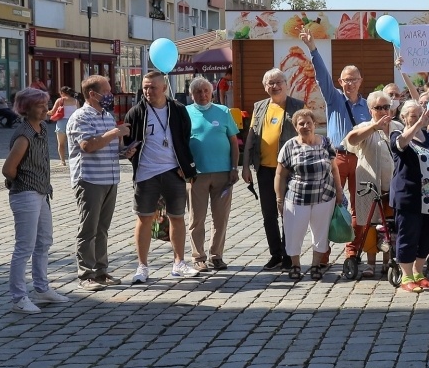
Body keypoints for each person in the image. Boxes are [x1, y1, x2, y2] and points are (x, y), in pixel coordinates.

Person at [298, 31, 371, 261]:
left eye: (354, 79)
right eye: (346, 80)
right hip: (336, 158)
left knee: (360, 206)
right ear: (340, 82)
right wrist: (312, 48)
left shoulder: (368, 106)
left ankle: (353, 251)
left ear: (360, 81)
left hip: (361, 160)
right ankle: (323, 254)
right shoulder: (334, 98)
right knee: (329, 204)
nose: (350, 83)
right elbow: (322, 76)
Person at [123, 70, 199, 283]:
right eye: (145, 87)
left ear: (164, 88)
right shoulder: (136, 112)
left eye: (153, 87)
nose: (148, 91)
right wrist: (128, 153)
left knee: (177, 217)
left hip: (173, 171)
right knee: (144, 217)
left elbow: (185, 138)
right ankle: (142, 266)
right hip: (146, 172)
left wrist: (185, 166)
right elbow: (128, 143)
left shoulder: (178, 110)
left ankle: (179, 263)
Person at [2, 88, 66, 315]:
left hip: (42, 192)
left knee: (44, 241)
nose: (44, 109)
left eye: (45, 104)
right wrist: (22, 181)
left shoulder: (42, 128)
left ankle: (42, 288)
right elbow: (8, 169)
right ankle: (19, 297)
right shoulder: (24, 135)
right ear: (26, 108)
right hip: (26, 194)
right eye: (39, 105)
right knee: (24, 247)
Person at [65, 75, 128, 290]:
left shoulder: (107, 116)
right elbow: (88, 146)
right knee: (88, 228)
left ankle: (101, 271)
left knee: (102, 229)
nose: (111, 95)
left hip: (110, 178)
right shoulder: (80, 117)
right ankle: (86, 274)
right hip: (90, 179)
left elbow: (109, 147)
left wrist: (124, 151)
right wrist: (115, 133)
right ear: (93, 94)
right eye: (107, 91)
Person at [241, 69, 300, 270]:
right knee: (269, 215)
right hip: (265, 169)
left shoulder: (297, 106)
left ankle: (288, 254)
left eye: (278, 82)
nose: (275, 86)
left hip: (289, 171)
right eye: (270, 83)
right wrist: (246, 166)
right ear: (265, 87)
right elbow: (251, 137)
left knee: (288, 214)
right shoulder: (259, 106)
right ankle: (275, 254)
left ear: (286, 83)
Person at [274, 108, 339, 280]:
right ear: (295, 127)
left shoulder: (326, 143)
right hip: (297, 198)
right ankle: (295, 265)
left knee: (320, 233)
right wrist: (279, 199)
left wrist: (339, 192)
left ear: (314, 124)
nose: (305, 126)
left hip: (324, 196)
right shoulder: (289, 146)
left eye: (308, 123)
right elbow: (280, 175)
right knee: (294, 233)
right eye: (301, 123)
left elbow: (334, 169)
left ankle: (316, 266)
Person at [345, 90, 402, 279]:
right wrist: (374, 128)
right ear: (370, 110)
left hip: (393, 185)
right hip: (370, 185)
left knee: (390, 224)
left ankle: (388, 260)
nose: (384, 111)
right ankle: (370, 263)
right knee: (370, 224)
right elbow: (351, 140)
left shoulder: (397, 127)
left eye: (386, 107)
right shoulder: (364, 127)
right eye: (379, 108)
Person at [185, 76, 240, 271]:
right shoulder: (185, 112)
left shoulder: (223, 111)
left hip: (223, 173)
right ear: (191, 95)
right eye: (198, 92)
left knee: (220, 217)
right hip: (196, 174)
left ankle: (216, 256)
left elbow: (234, 142)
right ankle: (198, 257)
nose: (203, 95)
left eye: (206, 91)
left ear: (212, 93)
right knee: (196, 218)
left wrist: (234, 167)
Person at [389, 99, 429, 293]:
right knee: (408, 236)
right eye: (413, 115)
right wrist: (418, 124)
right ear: (403, 117)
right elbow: (401, 144)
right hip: (409, 197)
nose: (419, 118)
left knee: (426, 237)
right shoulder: (397, 134)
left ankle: (419, 273)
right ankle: (406, 276)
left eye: (420, 114)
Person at [49, 86, 77, 164]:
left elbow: (52, 112)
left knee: (61, 143)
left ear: (62, 93)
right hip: (73, 123)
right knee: (73, 143)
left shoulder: (60, 100)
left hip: (62, 122)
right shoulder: (76, 101)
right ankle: (73, 159)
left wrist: (44, 112)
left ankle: (62, 161)